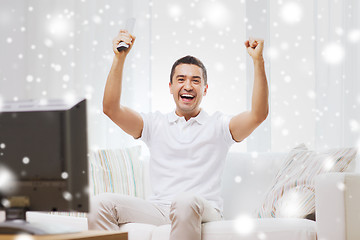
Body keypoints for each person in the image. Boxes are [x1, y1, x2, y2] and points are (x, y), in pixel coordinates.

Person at [88, 29, 269, 240]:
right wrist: (120, 58)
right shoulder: (154, 124)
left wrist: (258, 62)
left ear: (205, 88)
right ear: (171, 87)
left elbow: (258, 115)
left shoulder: (219, 126)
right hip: (160, 210)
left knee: (184, 201)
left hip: (203, 210)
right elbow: (111, 108)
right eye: (181, 79)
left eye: (195, 80)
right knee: (99, 204)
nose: (188, 86)